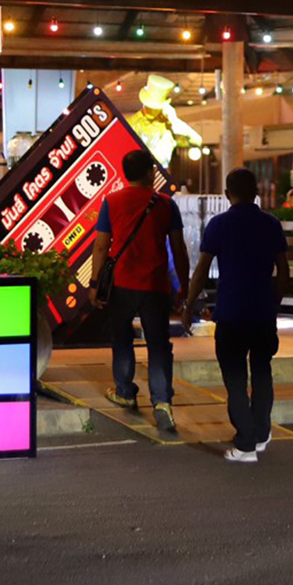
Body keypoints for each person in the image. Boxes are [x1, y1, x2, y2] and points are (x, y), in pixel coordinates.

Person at [184, 168, 288, 463]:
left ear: (227, 194)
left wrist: (189, 305)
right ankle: (261, 434)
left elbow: (202, 269)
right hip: (262, 311)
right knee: (262, 372)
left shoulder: (219, 225)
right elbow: (284, 269)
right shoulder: (271, 224)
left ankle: (245, 445)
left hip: (231, 312)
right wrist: (275, 301)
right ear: (256, 192)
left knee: (235, 378)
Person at [90, 149, 189, 435]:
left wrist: (95, 284)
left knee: (122, 339)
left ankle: (125, 391)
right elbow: (179, 248)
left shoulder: (112, 201)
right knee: (159, 345)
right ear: (149, 172)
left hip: (122, 285)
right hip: (155, 286)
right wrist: (184, 285)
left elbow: (101, 246)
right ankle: (162, 402)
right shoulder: (166, 204)